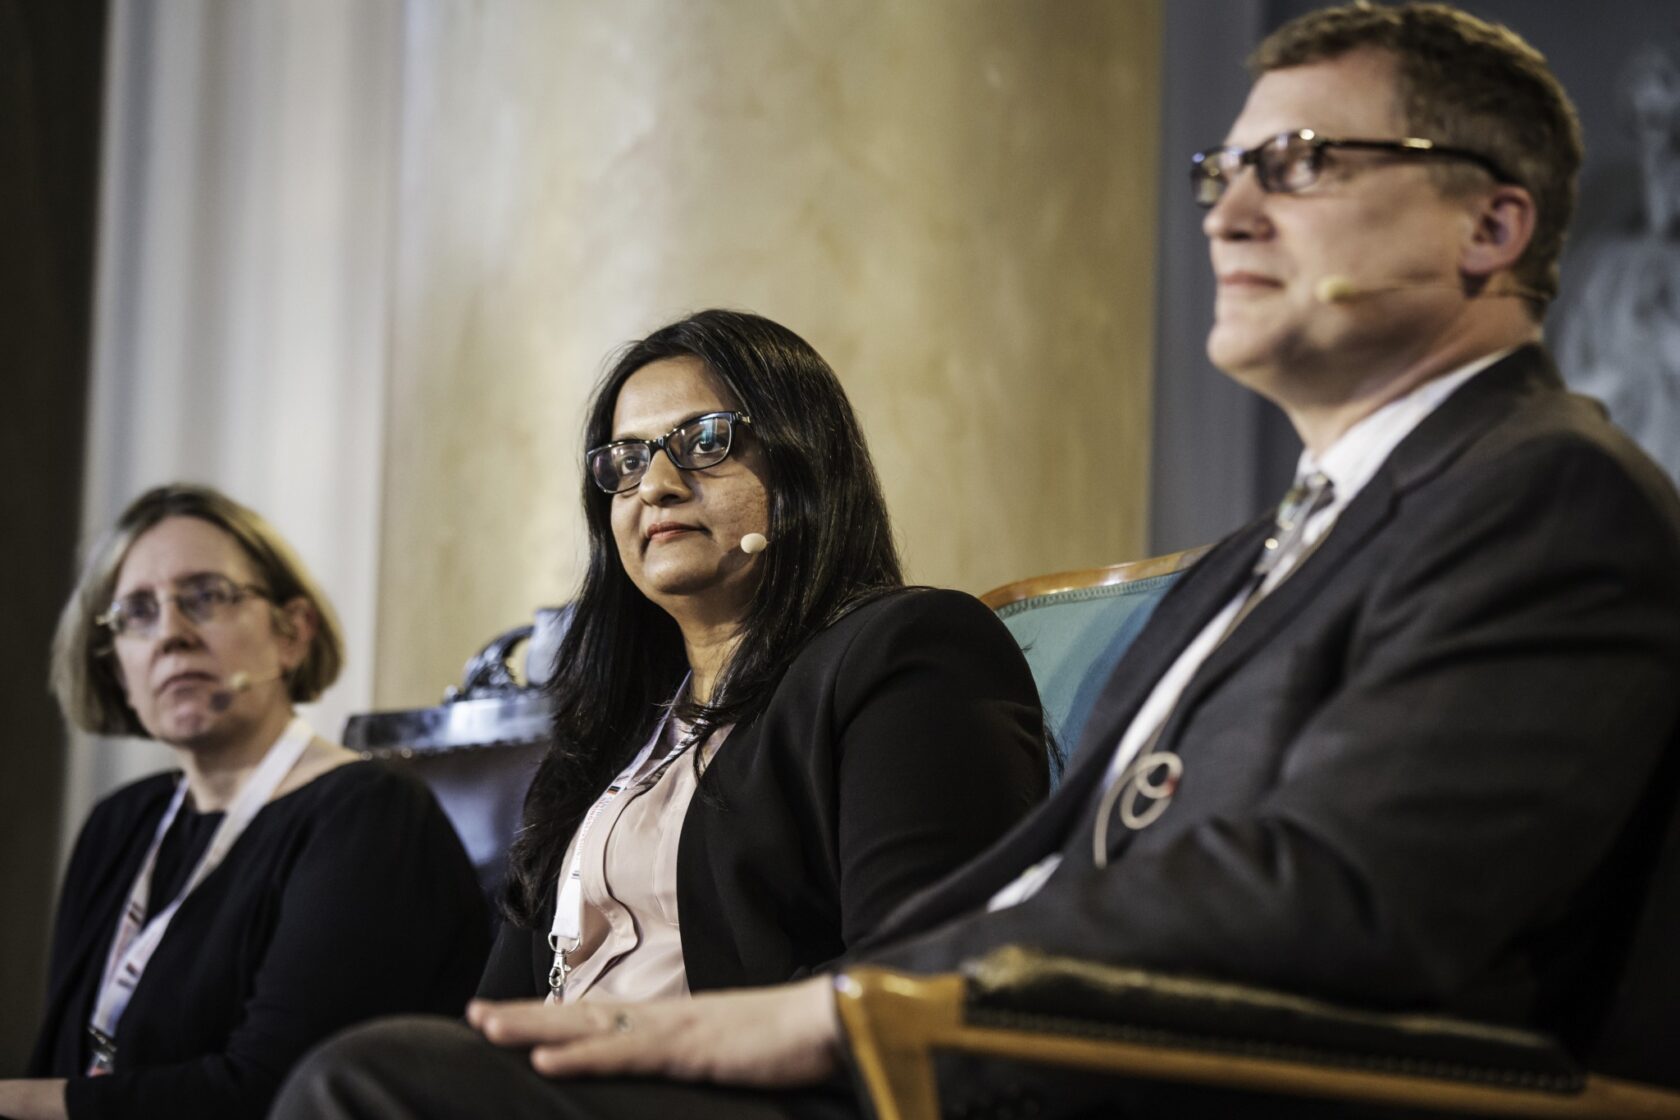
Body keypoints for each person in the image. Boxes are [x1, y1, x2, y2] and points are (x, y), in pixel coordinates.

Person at [274, 5, 1680, 1118]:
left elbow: (1346, 899)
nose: (1229, 212)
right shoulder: (1249, 565)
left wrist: (838, 1010)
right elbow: (1047, 869)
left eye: (1301, 163)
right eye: (1222, 171)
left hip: (1174, 1079)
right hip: (1015, 1055)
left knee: (381, 1087)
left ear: (1492, 224)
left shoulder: (1546, 496)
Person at [474, 308, 1049, 1004]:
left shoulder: (908, 653)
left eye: (704, 441)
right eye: (627, 460)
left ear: (803, 459)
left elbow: (909, 977)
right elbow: (499, 1004)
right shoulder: (610, 729)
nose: (654, 484)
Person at [0, 485, 489, 1120]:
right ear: (119, 669)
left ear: (293, 634)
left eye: (206, 596)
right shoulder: (118, 824)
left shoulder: (372, 816)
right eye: (138, 612)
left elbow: (274, 1093)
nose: (171, 634)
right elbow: (66, 1060)